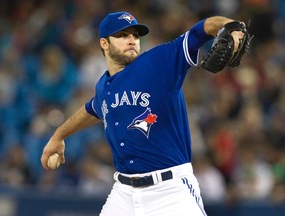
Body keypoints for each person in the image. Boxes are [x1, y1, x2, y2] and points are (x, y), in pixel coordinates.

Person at [41, 11, 245, 216]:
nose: (131, 40)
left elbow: (199, 31)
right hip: (123, 192)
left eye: (135, 36)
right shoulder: (104, 86)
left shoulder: (158, 62)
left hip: (170, 190)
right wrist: (59, 135)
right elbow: (92, 109)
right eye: (122, 35)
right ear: (104, 43)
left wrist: (231, 25)